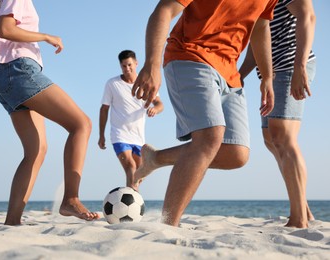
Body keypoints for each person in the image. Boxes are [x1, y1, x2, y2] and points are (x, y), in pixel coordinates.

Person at [130, 0, 278, 226]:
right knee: (210, 136)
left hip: (229, 72)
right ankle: (169, 226)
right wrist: (152, 65)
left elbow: (260, 26)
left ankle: (156, 158)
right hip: (190, 55)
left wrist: (267, 76)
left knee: (236, 154)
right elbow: (164, 10)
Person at [0, 0, 99, 225]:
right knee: (81, 124)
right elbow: (6, 30)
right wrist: (45, 37)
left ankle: (12, 221)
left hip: (5, 78)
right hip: (21, 72)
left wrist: (4, 55)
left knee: (36, 151)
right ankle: (70, 199)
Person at [239, 0, 316, 228]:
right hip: (270, 75)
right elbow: (257, 43)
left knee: (283, 137)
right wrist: (240, 75)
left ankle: (299, 218)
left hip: (291, 65)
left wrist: (299, 66)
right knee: (271, 140)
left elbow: (307, 15)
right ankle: (304, 209)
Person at [99, 50, 164, 187]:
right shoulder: (112, 84)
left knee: (139, 174)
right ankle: (130, 206)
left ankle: (133, 201)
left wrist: (155, 109)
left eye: (129, 65)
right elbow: (104, 109)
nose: (127, 69)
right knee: (130, 167)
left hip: (139, 137)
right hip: (119, 134)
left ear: (136, 63)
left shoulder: (146, 83)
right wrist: (101, 135)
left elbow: (160, 104)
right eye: (124, 66)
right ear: (120, 66)